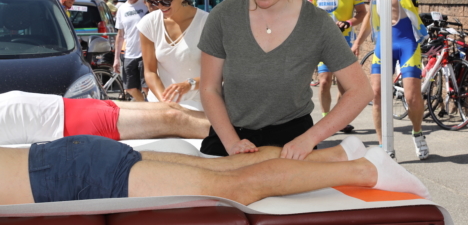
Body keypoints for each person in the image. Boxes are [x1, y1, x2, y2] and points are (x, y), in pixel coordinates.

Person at [198, 0, 373, 159]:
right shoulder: (222, 16)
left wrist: (310, 138)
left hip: (292, 144)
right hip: (228, 137)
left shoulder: (317, 23)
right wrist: (232, 143)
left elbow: (360, 90)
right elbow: (209, 88)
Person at [0, 134, 431, 205]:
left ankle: (364, 170)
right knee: (224, 169)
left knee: (232, 187)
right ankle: (338, 155)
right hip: (66, 158)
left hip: (74, 175)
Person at [352, 0, 429, 160]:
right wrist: (357, 42)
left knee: (412, 96)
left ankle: (417, 133)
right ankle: (385, 147)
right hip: (384, 42)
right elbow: (369, 16)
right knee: (377, 94)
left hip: (406, 41)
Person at [0, 91, 210, 145]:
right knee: (173, 117)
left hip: (70, 106)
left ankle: (238, 124)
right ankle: (238, 133)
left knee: (172, 108)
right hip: (69, 124)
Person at [138, 0, 208, 111]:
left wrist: (189, 84)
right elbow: (150, 72)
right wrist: (167, 104)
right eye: (154, 1)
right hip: (161, 107)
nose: (160, 7)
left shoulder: (207, 23)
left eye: (166, 1)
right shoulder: (149, 23)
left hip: (199, 107)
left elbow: (219, 74)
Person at [309, 0, 368, 133]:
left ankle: (340, 119)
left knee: (343, 84)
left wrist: (348, 23)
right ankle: (326, 120)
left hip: (344, 42)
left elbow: (362, 14)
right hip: (323, 42)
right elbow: (310, 17)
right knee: (325, 81)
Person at [113, 0, 149, 102]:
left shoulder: (146, 4)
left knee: (146, 87)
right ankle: (146, 107)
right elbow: (120, 35)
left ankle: (149, 111)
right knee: (130, 88)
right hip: (129, 54)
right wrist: (116, 59)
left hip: (146, 53)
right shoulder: (121, 9)